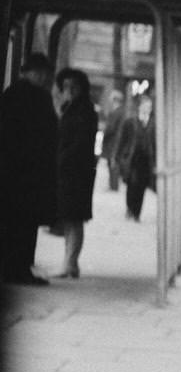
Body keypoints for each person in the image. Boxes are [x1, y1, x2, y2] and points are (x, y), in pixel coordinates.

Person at [0, 52, 59, 286]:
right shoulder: (35, 98)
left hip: (13, 172)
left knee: (14, 223)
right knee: (24, 224)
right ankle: (18, 268)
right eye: (42, 73)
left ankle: (14, 267)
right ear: (31, 72)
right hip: (28, 174)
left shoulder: (11, 94)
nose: (46, 78)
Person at [53, 67, 100, 279]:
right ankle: (70, 262)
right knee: (70, 218)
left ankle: (70, 262)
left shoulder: (84, 111)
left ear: (82, 88)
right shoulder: (71, 108)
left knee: (74, 218)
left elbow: (78, 142)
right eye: (66, 87)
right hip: (72, 170)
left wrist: (61, 160)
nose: (69, 90)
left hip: (76, 171)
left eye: (74, 86)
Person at [115, 94, 157, 221]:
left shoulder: (154, 123)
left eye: (149, 107)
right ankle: (130, 208)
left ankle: (137, 212)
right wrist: (117, 156)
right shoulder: (130, 122)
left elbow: (156, 143)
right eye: (144, 106)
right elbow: (122, 140)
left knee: (142, 186)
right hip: (132, 158)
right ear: (139, 107)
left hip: (146, 159)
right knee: (132, 184)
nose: (147, 109)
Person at [101, 92, 126, 191]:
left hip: (113, 141)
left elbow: (111, 128)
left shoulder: (116, 112)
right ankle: (113, 185)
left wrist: (104, 130)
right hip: (115, 140)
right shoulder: (120, 111)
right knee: (112, 162)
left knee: (113, 162)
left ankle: (113, 186)